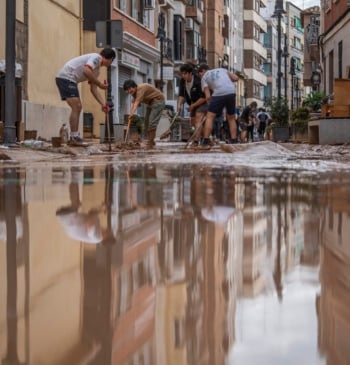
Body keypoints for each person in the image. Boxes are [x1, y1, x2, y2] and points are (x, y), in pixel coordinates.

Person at [55, 48, 116, 146]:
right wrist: (100, 83)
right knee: (77, 107)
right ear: (111, 59)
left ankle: (74, 137)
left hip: (70, 80)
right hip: (66, 77)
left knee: (77, 107)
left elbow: (93, 89)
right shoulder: (97, 58)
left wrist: (103, 104)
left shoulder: (97, 70)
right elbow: (86, 71)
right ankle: (74, 137)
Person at [197, 64, 239, 149]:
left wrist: (209, 107)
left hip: (219, 93)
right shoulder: (223, 70)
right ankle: (234, 141)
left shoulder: (204, 77)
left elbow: (208, 96)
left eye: (200, 74)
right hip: (231, 91)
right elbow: (236, 78)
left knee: (210, 117)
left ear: (203, 71)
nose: (200, 76)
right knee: (231, 117)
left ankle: (205, 141)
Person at [123, 80, 165, 148]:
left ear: (134, 86)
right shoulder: (134, 93)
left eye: (130, 88)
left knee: (152, 122)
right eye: (127, 90)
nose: (129, 91)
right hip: (150, 103)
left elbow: (136, 103)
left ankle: (150, 142)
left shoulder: (141, 88)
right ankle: (151, 141)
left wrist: (131, 114)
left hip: (158, 101)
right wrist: (131, 112)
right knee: (146, 123)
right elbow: (134, 103)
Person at [177, 63, 208, 146]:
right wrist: (179, 105)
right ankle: (206, 138)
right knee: (194, 123)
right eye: (182, 74)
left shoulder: (198, 81)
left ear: (190, 73)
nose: (183, 76)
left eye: (185, 74)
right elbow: (181, 94)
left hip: (203, 102)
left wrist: (193, 106)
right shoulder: (182, 81)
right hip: (193, 103)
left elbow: (204, 97)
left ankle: (196, 141)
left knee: (198, 119)